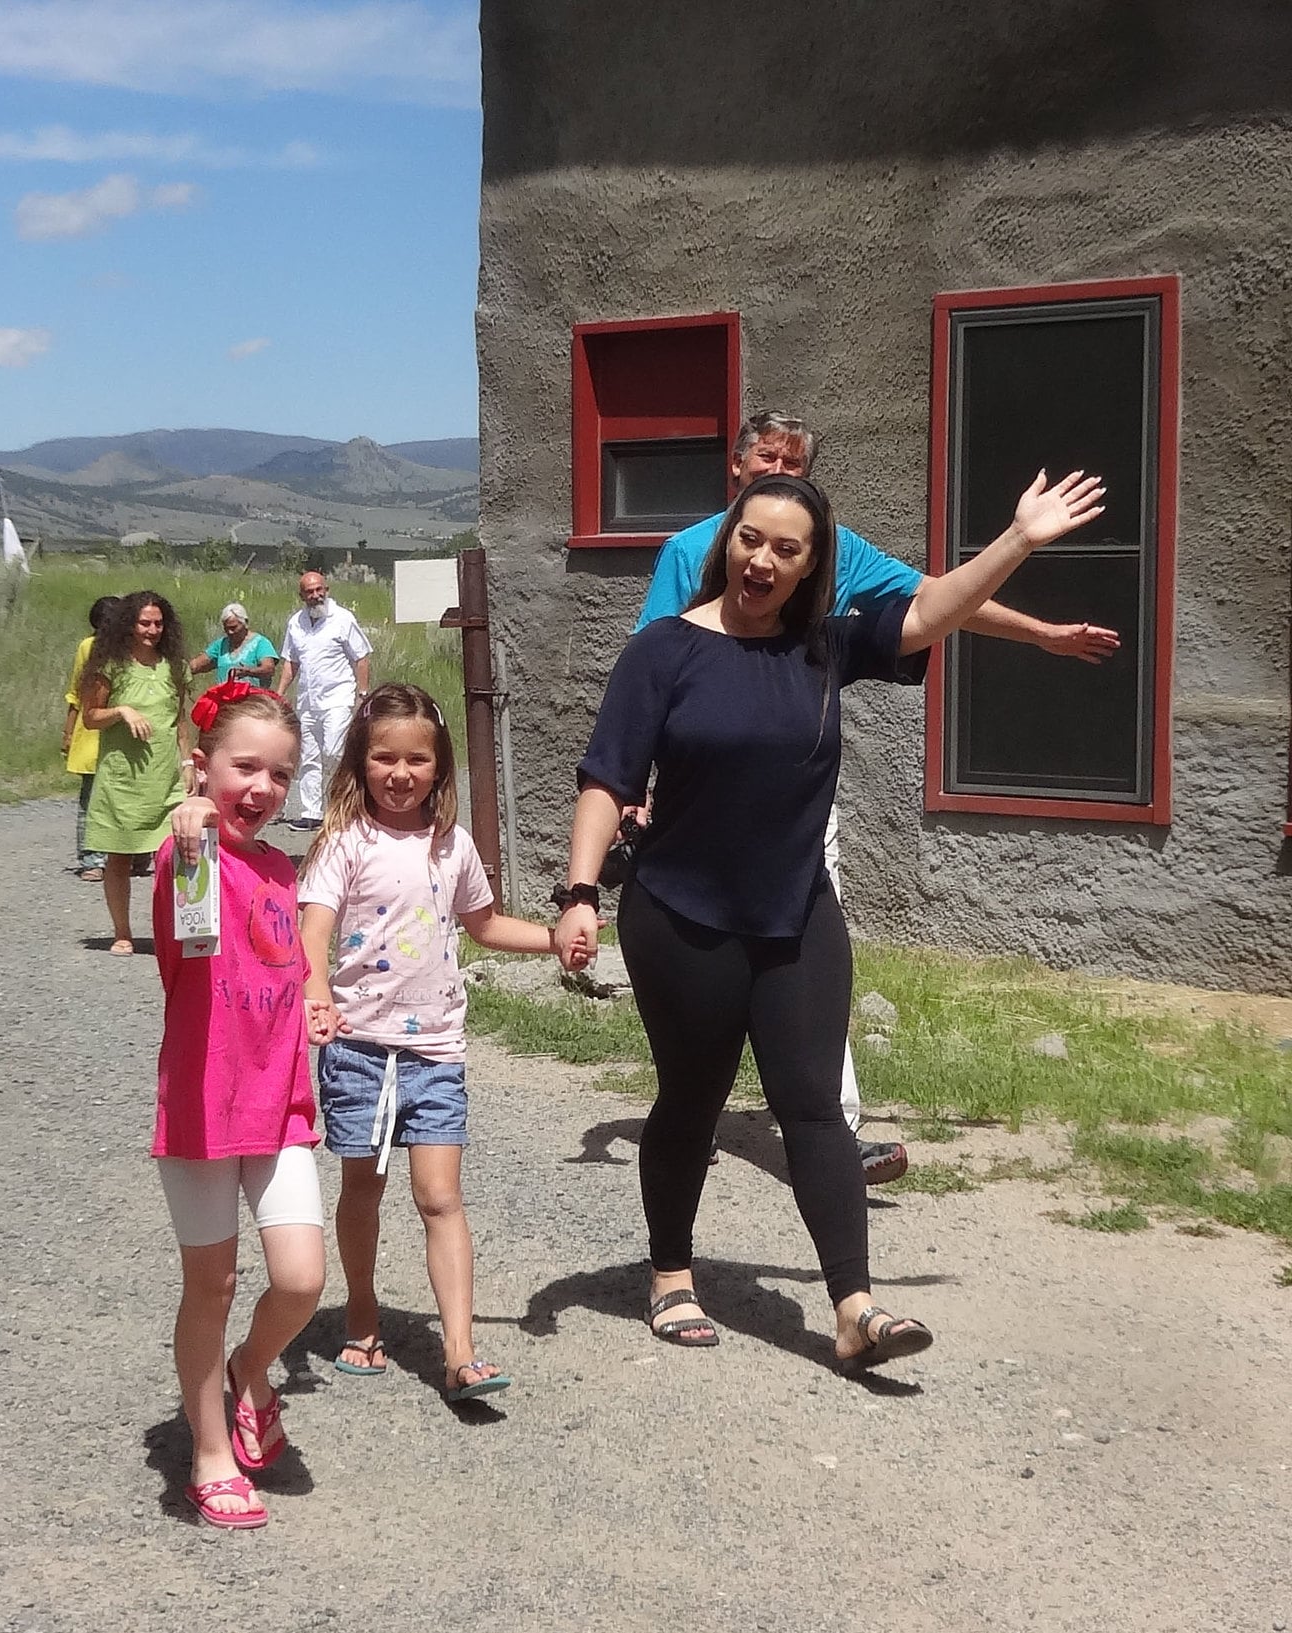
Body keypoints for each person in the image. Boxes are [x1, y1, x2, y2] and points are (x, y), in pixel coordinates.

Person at [555, 467, 1105, 1372]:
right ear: (727, 541)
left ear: (812, 565)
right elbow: (608, 778)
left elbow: (932, 613)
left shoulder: (823, 649)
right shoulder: (663, 649)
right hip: (682, 914)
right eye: (750, 539)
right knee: (691, 1098)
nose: (762, 560)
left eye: (787, 548)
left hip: (796, 912)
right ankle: (670, 1274)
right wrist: (580, 893)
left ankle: (854, 1307)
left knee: (813, 1104)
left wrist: (1017, 540)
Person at [635, 410, 1124, 1184]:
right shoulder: (687, 550)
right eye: (767, 458)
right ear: (736, 467)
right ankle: (691, 1114)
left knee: (806, 952)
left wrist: (1039, 634)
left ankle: (830, 1129)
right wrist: (635, 786)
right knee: (706, 971)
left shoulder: (834, 546)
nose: (781, 471)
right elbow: (649, 673)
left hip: (795, 804)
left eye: (795, 463)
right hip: (703, 804)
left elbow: (937, 600)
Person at [298, 683, 559, 1404]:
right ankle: (361, 1310)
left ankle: (460, 1351)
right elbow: (313, 931)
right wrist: (317, 994)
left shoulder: (453, 845)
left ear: (440, 766)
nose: (400, 773)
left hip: (437, 1051)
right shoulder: (344, 843)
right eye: (385, 757)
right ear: (361, 761)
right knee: (363, 1188)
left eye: (417, 759)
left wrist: (553, 939)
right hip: (359, 1048)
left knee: (440, 1196)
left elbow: (485, 924)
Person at [158, 684, 331, 1529]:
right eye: (244, 767)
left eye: (280, 773)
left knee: (301, 1279)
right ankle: (209, 1452)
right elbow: (183, 852)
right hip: (202, 1104)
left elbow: (290, 968)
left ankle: (248, 1369)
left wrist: (318, 999)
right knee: (214, 1282)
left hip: (279, 1101)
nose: (261, 786)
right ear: (204, 766)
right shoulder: (185, 854)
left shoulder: (279, 868)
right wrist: (190, 817)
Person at [80, 591, 190, 956]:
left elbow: (180, 720)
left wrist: (188, 763)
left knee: (174, 855)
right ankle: (122, 932)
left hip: (166, 777)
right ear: (129, 624)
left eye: (158, 623)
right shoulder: (109, 665)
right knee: (120, 858)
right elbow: (90, 717)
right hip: (123, 779)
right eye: (145, 623)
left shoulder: (174, 666)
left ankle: (173, 931)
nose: (152, 630)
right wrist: (121, 711)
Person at [273, 571, 372, 831]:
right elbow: (291, 662)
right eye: (309, 591)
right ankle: (311, 813)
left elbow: (361, 657)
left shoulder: (342, 619)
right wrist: (280, 693)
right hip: (308, 701)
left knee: (335, 752)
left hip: (338, 698)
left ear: (326, 590)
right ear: (301, 595)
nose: (316, 595)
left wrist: (362, 695)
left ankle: (346, 806)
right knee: (308, 757)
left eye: (319, 590)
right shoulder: (296, 623)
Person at [62, 596, 120, 882]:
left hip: (122, 734)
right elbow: (76, 692)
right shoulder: (88, 647)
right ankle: (91, 858)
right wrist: (68, 731)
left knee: (124, 798)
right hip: (92, 734)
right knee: (91, 800)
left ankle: (129, 854)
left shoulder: (131, 650)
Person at [189, 603, 278, 687]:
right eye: (226, 628)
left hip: (253, 696)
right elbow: (196, 665)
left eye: (233, 628)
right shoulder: (220, 645)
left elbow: (269, 669)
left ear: (246, 623)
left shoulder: (260, 643)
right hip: (225, 696)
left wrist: (249, 671)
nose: (230, 632)